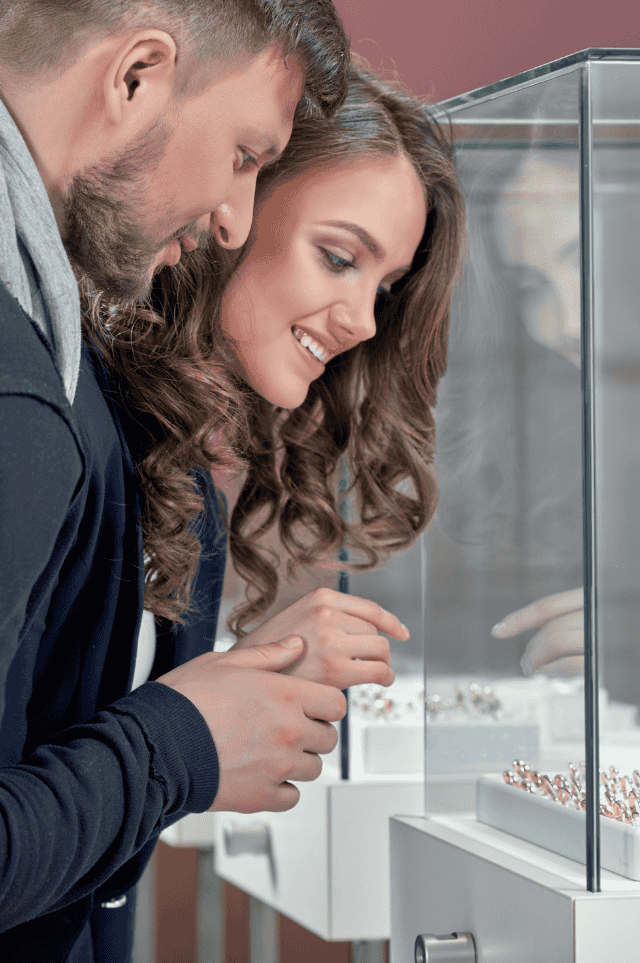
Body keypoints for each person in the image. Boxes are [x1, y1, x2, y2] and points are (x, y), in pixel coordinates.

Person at [0, 2, 350, 959]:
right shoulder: (27, 401)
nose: (234, 220)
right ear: (136, 76)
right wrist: (179, 741)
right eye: (245, 155)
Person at [95, 64, 465, 698]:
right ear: (234, 200)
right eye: (340, 259)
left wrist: (238, 683)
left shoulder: (186, 490)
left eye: (385, 289)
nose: (365, 323)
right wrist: (197, 721)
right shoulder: (67, 421)